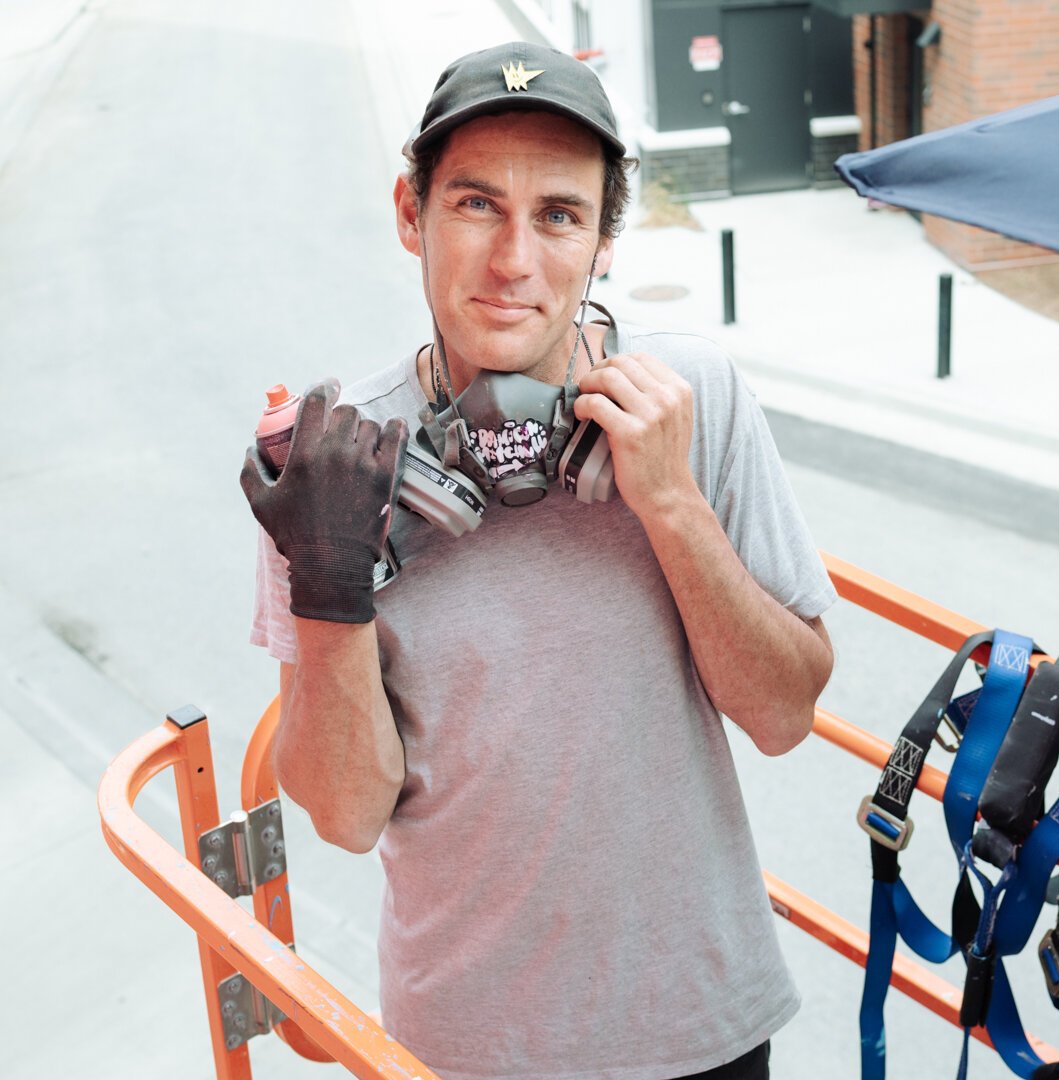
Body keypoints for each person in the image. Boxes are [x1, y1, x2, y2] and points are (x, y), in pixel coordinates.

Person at [243, 41, 836, 1080]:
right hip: (468, 1046)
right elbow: (342, 814)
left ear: (605, 241)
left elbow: (784, 716)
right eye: (475, 205)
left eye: (559, 215)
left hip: (702, 1021)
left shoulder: (692, 396)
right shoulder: (329, 464)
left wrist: (669, 499)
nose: (514, 261)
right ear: (408, 212)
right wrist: (328, 586)